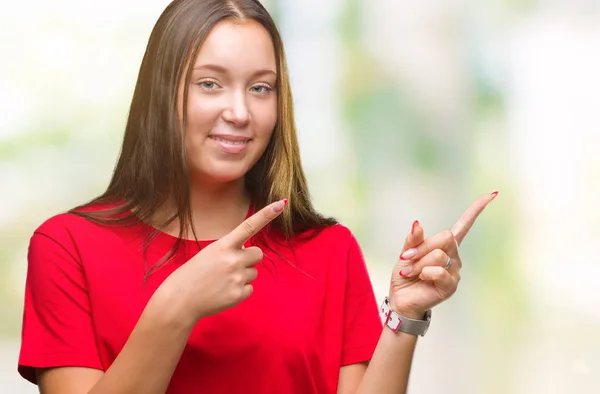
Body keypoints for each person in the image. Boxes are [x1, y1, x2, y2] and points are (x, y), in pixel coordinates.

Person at [17, 0, 497, 393]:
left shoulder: (328, 251)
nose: (240, 112)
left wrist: (406, 315)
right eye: (210, 83)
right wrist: (176, 306)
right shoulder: (67, 246)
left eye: (261, 88)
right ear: (161, 92)